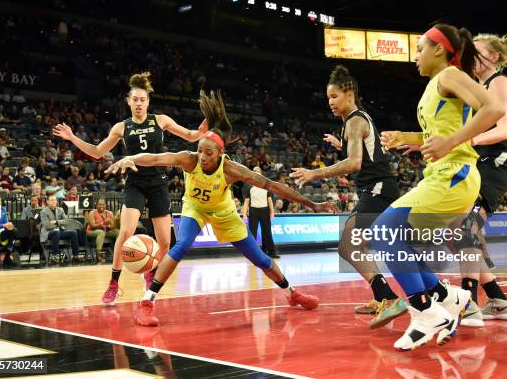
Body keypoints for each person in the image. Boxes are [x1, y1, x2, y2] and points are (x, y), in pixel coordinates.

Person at [105, 89, 338, 326]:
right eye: (200, 151)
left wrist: (313, 203)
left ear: (220, 154)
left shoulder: (232, 170)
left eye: (208, 153)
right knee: (181, 245)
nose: (202, 157)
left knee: (260, 258)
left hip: (223, 212)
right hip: (195, 208)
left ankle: (292, 293)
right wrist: (131, 158)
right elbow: (157, 158)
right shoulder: (190, 159)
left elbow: (273, 185)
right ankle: (147, 303)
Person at [378, 23, 504, 350]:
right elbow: (441, 131)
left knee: (383, 233)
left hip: (456, 174)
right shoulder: (434, 86)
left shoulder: (450, 74)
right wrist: (406, 138)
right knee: (403, 244)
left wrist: (451, 141)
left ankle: (425, 312)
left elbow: (494, 108)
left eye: (420, 48)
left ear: (438, 49)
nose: (415, 56)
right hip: (441, 175)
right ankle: (449, 296)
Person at [54, 72, 208, 306]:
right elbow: (97, 152)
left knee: (165, 242)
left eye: (142, 100)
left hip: (158, 182)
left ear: (148, 102)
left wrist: (202, 130)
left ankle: (150, 273)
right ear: (128, 102)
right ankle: (114, 284)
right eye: (134, 99)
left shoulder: (161, 120)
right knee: (125, 233)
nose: (138, 103)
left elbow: (190, 136)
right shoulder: (121, 127)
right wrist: (73, 137)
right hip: (135, 182)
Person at [290, 65, 403, 328]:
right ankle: (381, 297)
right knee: (358, 246)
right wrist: (341, 146)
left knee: (348, 246)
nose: (330, 102)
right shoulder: (353, 121)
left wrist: (313, 174)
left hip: (378, 189)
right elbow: (362, 153)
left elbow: (354, 164)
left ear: (349, 92)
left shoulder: (354, 120)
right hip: (376, 189)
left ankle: (389, 297)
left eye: (334, 96)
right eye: (328, 98)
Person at [452, 34, 507, 327]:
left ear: (494, 57)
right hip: (478, 163)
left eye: (476, 52)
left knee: (466, 227)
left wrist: (468, 140)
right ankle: (499, 300)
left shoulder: (500, 82)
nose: (469, 58)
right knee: (456, 233)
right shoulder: (478, 88)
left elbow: (504, 129)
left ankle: (468, 303)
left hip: (497, 160)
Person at [241, 166, 278, 258]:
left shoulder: (266, 186)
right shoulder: (248, 187)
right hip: (253, 212)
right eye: (255, 171)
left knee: (267, 232)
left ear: (261, 174)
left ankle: (270, 252)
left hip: (265, 211)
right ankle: (252, 253)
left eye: (258, 171)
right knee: (252, 233)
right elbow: (246, 202)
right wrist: (244, 214)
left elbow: (269, 200)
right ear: (253, 174)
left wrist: (272, 212)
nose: (257, 173)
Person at [39, 194, 81, 265]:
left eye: (54, 200)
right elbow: (47, 225)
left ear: (56, 202)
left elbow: (66, 221)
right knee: (56, 233)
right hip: (48, 233)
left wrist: (56, 222)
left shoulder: (60, 210)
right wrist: (59, 223)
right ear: (48, 202)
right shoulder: (43, 212)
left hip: (59, 231)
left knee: (73, 233)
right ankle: (54, 257)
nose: (53, 201)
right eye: (51, 200)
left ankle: (75, 256)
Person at [86, 198, 119, 263]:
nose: (102, 206)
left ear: (105, 205)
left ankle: (118, 252)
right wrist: (103, 223)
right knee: (101, 232)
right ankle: (98, 255)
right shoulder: (92, 213)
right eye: (100, 204)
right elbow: (92, 226)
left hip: (105, 231)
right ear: (96, 205)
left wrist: (109, 225)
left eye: (103, 204)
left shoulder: (110, 213)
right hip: (92, 231)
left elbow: (112, 226)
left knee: (118, 232)